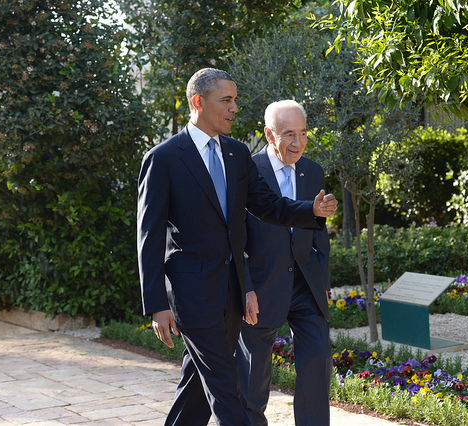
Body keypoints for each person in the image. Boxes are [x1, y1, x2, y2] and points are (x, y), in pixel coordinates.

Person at [136, 69, 337, 426]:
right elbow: (148, 237)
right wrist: (156, 305)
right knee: (227, 391)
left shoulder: (236, 153)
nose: (234, 108)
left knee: (197, 388)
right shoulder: (164, 158)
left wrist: (311, 210)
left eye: (235, 100)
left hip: (230, 294)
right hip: (190, 294)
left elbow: (268, 205)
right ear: (198, 102)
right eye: (226, 100)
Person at [236, 100, 332, 426]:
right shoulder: (246, 172)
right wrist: (245, 288)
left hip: (305, 284)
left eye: (303, 133)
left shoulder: (314, 170)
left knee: (318, 360)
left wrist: (323, 281)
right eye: (289, 134)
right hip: (261, 288)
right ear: (268, 134)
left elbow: (319, 234)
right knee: (253, 377)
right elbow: (235, 240)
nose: (298, 142)